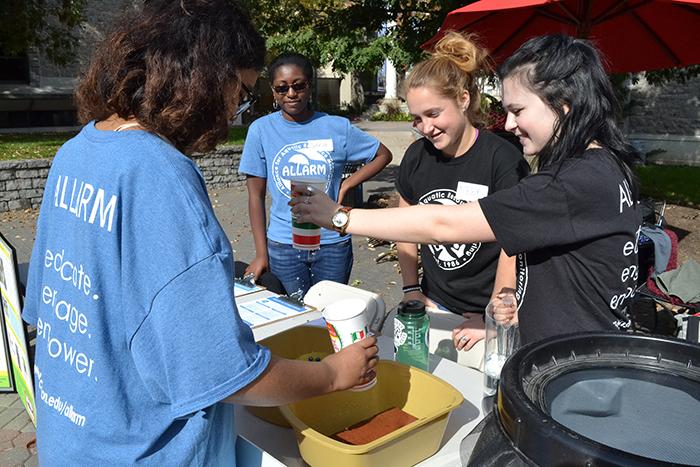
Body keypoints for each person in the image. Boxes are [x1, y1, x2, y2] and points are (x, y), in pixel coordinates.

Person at [21, 1, 377, 465]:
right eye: (241, 92)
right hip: (147, 451)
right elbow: (223, 373)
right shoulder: (160, 173)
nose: (236, 111)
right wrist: (333, 374)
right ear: (204, 77)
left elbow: (57, 303)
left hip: (72, 439)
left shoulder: (75, 150)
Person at [292, 34, 642, 346]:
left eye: (518, 110)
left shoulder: (573, 183)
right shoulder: (605, 167)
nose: (509, 124)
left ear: (563, 103)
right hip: (581, 351)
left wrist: (339, 217)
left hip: (572, 368)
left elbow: (442, 226)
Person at [394, 31, 529, 366]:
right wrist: (412, 290)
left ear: (464, 99)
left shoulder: (503, 158)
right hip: (435, 304)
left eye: (433, 113)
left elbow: (514, 245)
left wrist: (493, 318)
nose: (425, 127)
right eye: (417, 118)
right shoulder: (415, 157)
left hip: (487, 312)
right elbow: (403, 228)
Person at [239, 52, 392, 298]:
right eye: (282, 88)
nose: (291, 93)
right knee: (294, 322)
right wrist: (260, 253)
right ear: (273, 90)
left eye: (298, 86)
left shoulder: (337, 127)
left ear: (309, 86)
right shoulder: (261, 131)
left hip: (332, 243)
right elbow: (255, 197)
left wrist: (345, 185)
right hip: (283, 246)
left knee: (330, 317)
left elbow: (382, 155)